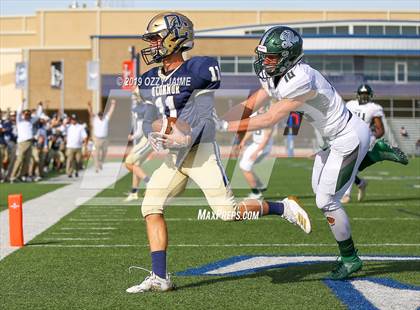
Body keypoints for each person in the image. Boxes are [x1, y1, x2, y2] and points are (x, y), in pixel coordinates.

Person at [126, 13, 311, 294]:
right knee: (150, 208)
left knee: (228, 213)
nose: (151, 45)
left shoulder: (199, 69)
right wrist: (157, 132)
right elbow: (151, 116)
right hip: (174, 157)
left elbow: (203, 117)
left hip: (199, 151)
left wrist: (183, 134)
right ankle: (160, 276)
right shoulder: (149, 79)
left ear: (175, 38)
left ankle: (282, 207)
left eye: (155, 38)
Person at [215, 26, 376, 280]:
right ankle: (372, 155)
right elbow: (249, 105)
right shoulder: (274, 75)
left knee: (327, 201)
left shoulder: (301, 78)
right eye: (263, 55)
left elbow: (270, 118)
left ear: (288, 57)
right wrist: (214, 122)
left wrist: (222, 126)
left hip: (349, 136)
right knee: (318, 188)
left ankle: (350, 258)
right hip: (335, 138)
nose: (263, 61)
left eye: (271, 57)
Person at [341, 84, 408, 203]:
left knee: (351, 166)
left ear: (370, 96)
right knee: (346, 167)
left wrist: (371, 137)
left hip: (363, 139)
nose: (364, 97)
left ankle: (346, 195)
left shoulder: (374, 107)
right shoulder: (350, 104)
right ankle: (360, 183)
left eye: (366, 95)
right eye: (362, 95)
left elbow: (380, 129)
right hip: (349, 138)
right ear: (358, 95)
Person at [238, 105, 274, 199]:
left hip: (263, 146)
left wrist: (257, 152)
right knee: (243, 165)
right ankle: (260, 185)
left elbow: (265, 139)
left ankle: (256, 193)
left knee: (245, 167)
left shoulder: (269, 118)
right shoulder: (254, 116)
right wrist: (243, 141)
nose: (261, 108)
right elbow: (251, 130)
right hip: (255, 144)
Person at [124, 91, 153, 202]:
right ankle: (134, 192)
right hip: (144, 139)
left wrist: (132, 137)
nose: (133, 100)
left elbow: (141, 130)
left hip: (146, 138)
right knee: (136, 165)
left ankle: (150, 182)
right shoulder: (144, 107)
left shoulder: (141, 109)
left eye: (134, 97)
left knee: (128, 162)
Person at [10, 101, 43, 183]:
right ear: (23, 115)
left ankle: (21, 176)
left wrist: (40, 106)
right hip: (22, 143)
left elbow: (38, 115)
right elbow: (18, 112)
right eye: (25, 114)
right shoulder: (20, 121)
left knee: (27, 161)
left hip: (30, 142)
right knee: (19, 159)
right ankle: (12, 176)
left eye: (28, 114)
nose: (27, 116)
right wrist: (22, 103)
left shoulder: (30, 122)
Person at [87, 99, 116, 172]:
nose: (100, 116)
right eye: (99, 115)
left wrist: (113, 104)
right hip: (97, 138)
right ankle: (96, 167)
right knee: (96, 153)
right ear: (98, 115)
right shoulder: (95, 119)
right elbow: (90, 113)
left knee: (104, 152)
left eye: (101, 115)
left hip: (105, 138)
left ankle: (100, 163)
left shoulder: (106, 119)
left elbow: (110, 112)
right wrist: (89, 106)